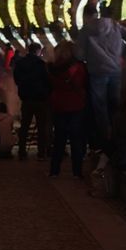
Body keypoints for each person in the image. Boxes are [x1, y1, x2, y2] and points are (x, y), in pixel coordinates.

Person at [74, 3, 126, 151]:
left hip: (96, 71)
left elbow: (78, 54)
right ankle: (118, 134)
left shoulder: (86, 30)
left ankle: (105, 138)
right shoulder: (115, 26)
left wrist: (87, 58)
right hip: (115, 69)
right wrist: (122, 55)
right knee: (115, 103)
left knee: (100, 107)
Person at [48, 40, 88, 179]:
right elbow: (82, 83)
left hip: (58, 104)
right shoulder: (78, 67)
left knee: (59, 139)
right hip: (76, 104)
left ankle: (54, 170)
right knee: (76, 140)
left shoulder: (53, 68)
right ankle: (77, 172)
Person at [13, 42, 51, 160]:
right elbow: (47, 81)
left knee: (24, 126)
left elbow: (17, 79)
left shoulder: (20, 64)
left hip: (26, 98)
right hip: (40, 99)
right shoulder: (41, 64)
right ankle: (41, 153)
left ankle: (22, 151)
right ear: (38, 51)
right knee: (41, 127)